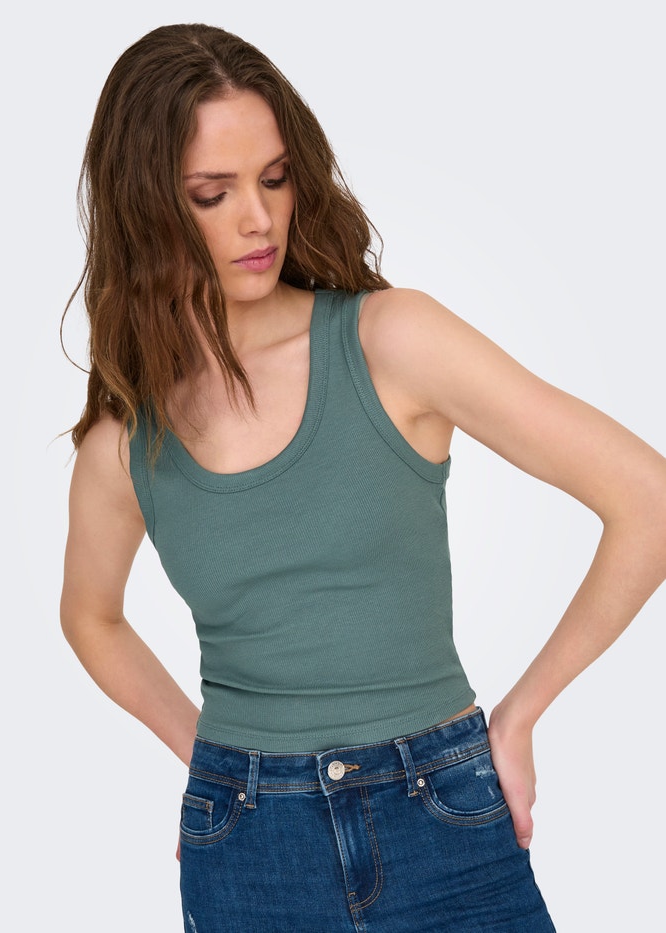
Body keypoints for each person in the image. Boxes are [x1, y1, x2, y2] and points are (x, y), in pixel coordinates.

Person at [59, 22, 666, 933]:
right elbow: (90, 616)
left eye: (274, 178)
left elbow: (647, 498)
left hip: (446, 815)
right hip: (251, 853)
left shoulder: (392, 341)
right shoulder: (124, 441)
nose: (259, 220)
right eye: (212, 194)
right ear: (144, 207)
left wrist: (517, 719)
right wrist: (207, 758)